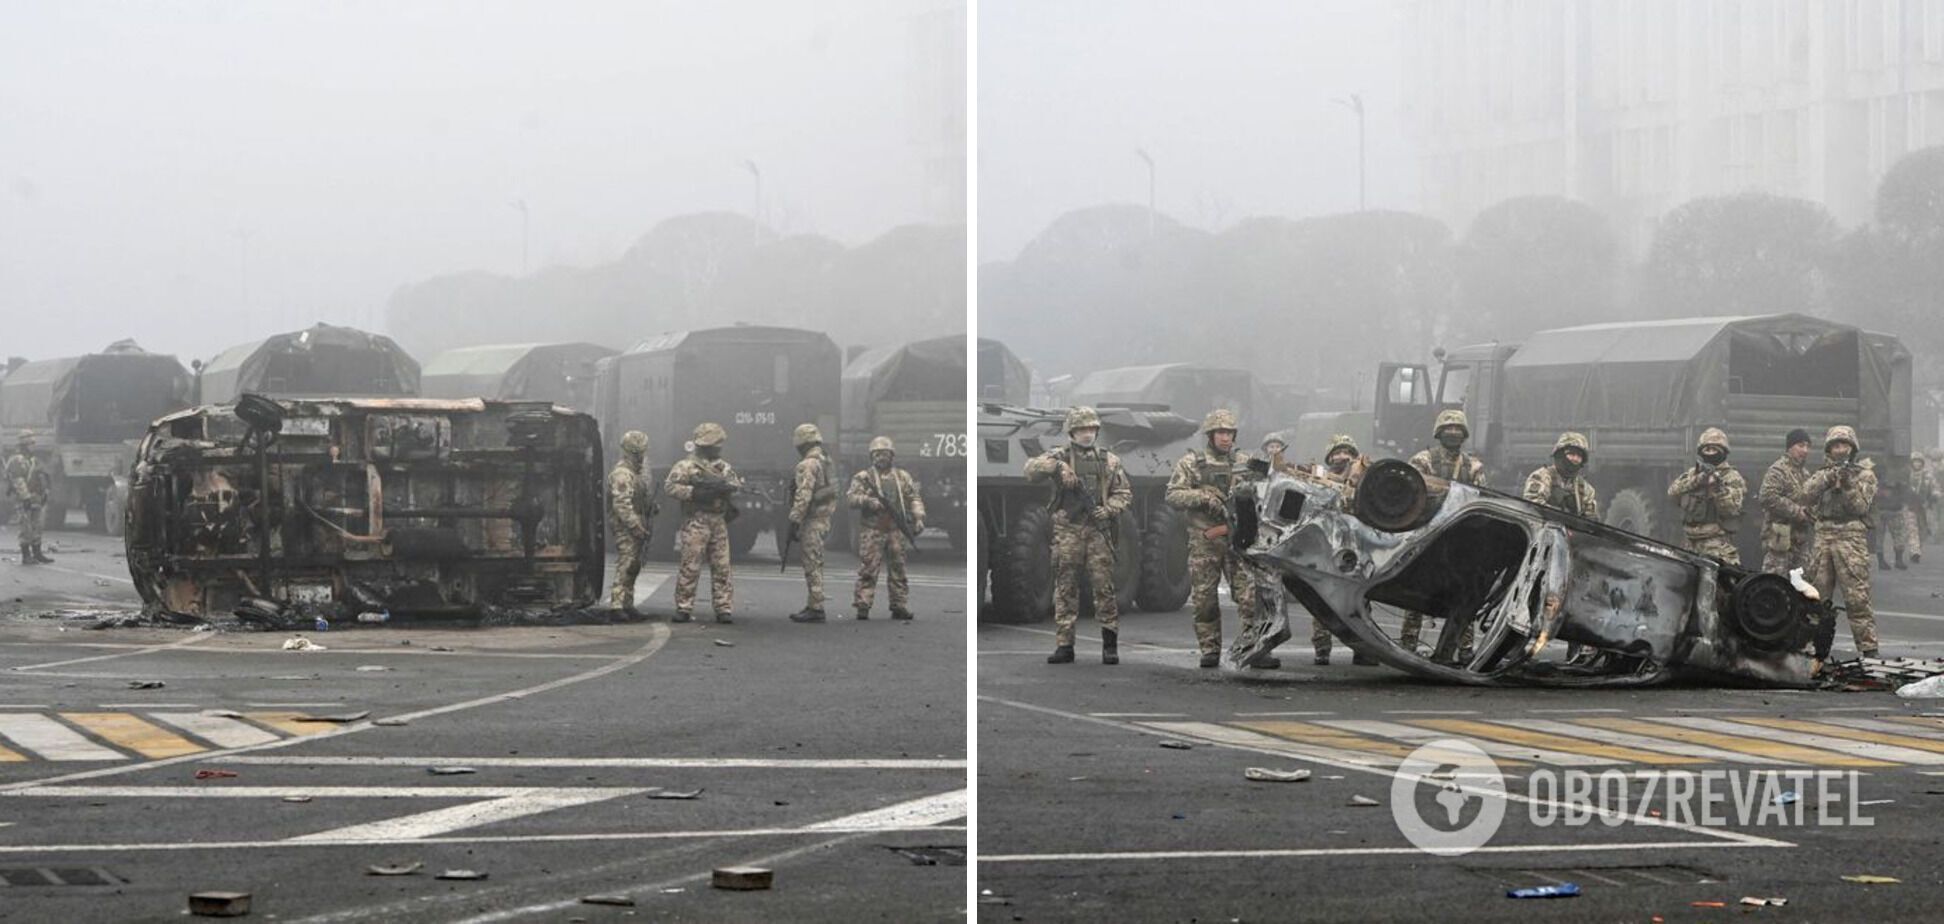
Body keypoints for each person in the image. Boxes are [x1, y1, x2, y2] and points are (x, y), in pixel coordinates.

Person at [1025, 407, 1132, 665]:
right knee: (1065, 587)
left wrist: (1108, 510)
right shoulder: (1060, 456)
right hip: (1068, 529)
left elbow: (1124, 493)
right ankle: (1064, 644)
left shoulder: (1109, 460)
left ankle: (1109, 644)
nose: (1087, 434)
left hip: (1097, 530)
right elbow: (1030, 469)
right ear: (1072, 432)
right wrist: (1059, 466)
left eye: (1091, 429)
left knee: (1104, 587)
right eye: (1082, 429)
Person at [1165, 410, 1264, 669]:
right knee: (1205, 599)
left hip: (1239, 540)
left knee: (1250, 597)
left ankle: (1255, 649)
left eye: (1229, 433)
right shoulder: (1192, 462)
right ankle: (1210, 650)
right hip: (1205, 539)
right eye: (1220, 433)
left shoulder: (1244, 462)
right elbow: (1173, 496)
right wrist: (1203, 498)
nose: (1225, 438)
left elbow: (1266, 489)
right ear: (1210, 435)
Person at [1400, 410, 1489, 659]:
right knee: (1416, 591)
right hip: (1427, 535)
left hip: (1461, 539)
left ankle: (1465, 649)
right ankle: (1408, 644)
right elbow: (1410, 493)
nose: (1453, 433)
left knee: (1464, 593)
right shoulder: (1423, 460)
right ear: (1439, 432)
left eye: (1457, 429)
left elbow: (1481, 500)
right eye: (1448, 429)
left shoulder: (1473, 467)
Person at [1797, 425, 1879, 659]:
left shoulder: (1865, 475)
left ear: (1853, 448)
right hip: (1823, 538)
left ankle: (1868, 650)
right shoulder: (1823, 473)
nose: (1840, 449)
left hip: (1850, 538)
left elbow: (1861, 506)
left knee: (1857, 598)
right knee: (1816, 599)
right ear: (1829, 450)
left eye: (1844, 445)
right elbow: (1805, 494)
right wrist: (1828, 479)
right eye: (1835, 445)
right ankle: (1813, 649)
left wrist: (1847, 484)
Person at [662, 423, 742, 623]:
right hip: (696, 519)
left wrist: (724, 488)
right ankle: (684, 607)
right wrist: (694, 492)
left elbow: (736, 486)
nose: (717, 448)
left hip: (717, 521)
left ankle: (724, 608)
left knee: (722, 567)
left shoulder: (724, 468)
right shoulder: (686, 466)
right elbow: (670, 487)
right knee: (690, 565)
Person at [848, 436, 925, 621]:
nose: (880, 457)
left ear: (892, 455)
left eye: (884, 454)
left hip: (895, 529)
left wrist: (918, 518)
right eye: (876, 454)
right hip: (872, 529)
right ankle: (863, 605)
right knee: (868, 569)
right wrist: (868, 501)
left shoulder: (902, 477)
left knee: (898, 569)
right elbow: (851, 498)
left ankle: (899, 605)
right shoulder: (863, 477)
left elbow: (913, 498)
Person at [1667, 427, 1747, 565]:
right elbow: (1672, 492)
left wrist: (1715, 488)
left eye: (1714, 449)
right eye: (1707, 449)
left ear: (1723, 452)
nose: (1710, 453)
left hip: (1715, 545)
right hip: (1689, 544)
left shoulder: (1732, 477)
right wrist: (1697, 481)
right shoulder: (1693, 473)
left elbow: (1731, 508)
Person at [787, 424, 841, 623]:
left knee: (812, 563)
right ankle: (814, 604)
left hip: (813, 519)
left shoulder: (807, 464)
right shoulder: (826, 460)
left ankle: (816, 607)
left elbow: (804, 496)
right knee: (816, 560)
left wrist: (795, 520)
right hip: (825, 517)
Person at [606, 430, 655, 616]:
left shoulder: (635, 474)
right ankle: (617, 605)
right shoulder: (622, 474)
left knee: (633, 565)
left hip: (635, 523)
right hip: (625, 526)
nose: (641, 457)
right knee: (626, 563)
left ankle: (627, 603)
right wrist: (635, 525)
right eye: (638, 453)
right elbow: (621, 504)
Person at [1759, 429, 1816, 576]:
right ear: (1790, 447)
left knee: (1803, 586)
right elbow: (1767, 496)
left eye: (1807, 446)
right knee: (1775, 583)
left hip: (1800, 540)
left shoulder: (1805, 474)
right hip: (1780, 539)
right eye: (1801, 445)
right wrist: (1797, 512)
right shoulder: (1778, 470)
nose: (1805, 450)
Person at [4, 432, 53, 565]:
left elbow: (43, 476)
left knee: (38, 525)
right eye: (31, 443)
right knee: (26, 527)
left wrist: (45, 493)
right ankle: (26, 555)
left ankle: (37, 553)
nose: (33, 445)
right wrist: (25, 497)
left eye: (33, 443)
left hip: (36, 497)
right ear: (24, 445)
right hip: (24, 498)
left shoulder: (33, 460)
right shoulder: (17, 460)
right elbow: (18, 480)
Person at [1523, 432, 1598, 518]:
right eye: (1571, 454)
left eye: (1579, 456)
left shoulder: (1584, 488)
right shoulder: (1541, 477)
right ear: (1560, 454)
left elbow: (1591, 518)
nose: (1575, 459)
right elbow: (1533, 507)